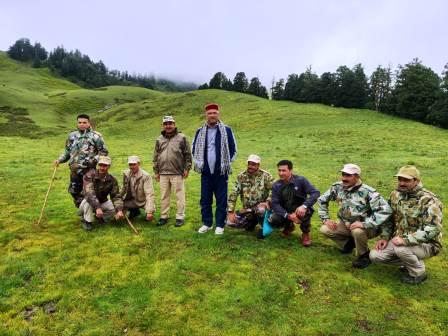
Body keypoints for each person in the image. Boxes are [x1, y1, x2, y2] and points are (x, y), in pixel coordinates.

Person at [370, 165, 443, 284]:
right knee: (375, 256)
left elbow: (433, 228)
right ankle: (411, 262)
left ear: (417, 181)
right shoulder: (395, 195)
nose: (402, 183)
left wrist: (406, 240)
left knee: (401, 249)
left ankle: (418, 273)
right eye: (400, 179)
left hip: (427, 244)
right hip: (399, 240)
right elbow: (389, 219)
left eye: (406, 180)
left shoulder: (429, 200)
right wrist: (385, 237)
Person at [318, 164, 392, 268]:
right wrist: (325, 219)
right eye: (343, 174)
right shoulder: (337, 187)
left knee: (357, 231)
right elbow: (322, 200)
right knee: (325, 229)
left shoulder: (369, 192)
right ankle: (348, 244)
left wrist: (364, 223)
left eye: (348, 175)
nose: (344, 178)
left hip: (368, 227)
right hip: (345, 223)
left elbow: (386, 210)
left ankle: (364, 255)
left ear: (357, 177)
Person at [192, 103, 237, 235]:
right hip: (205, 173)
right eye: (209, 113)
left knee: (221, 200)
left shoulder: (227, 130)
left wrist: (226, 164)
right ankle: (207, 223)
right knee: (205, 199)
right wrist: (200, 164)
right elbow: (194, 149)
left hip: (221, 173)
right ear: (206, 115)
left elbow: (233, 149)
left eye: (214, 113)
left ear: (218, 114)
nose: (212, 115)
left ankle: (220, 224)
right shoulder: (199, 131)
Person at [54, 114, 108, 207]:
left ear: (89, 123)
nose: (82, 124)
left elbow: (103, 152)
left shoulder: (96, 136)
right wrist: (59, 160)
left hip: (88, 170)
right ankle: (83, 211)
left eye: (84, 122)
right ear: (77, 123)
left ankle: (94, 213)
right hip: (74, 170)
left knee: (89, 192)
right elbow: (67, 152)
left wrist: (91, 161)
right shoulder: (72, 136)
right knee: (74, 191)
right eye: (80, 122)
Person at [153, 116, 192, 227]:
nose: (168, 126)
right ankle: (164, 216)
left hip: (177, 172)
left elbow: (187, 154)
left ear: (174, 124)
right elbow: (155, 156)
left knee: (179, 195)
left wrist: (187, 168)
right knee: (164, 196)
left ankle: (180, 217)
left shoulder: (182, 137)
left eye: (170, 123)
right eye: (166, 124)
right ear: (163, 126)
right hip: (163, 173)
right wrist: (156, 171)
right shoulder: (159, 139)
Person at [270, 160, 320, 246]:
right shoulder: (276, 185)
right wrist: (288, 215)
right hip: (285, 210)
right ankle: (289, 226)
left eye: (284, 170)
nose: (281, 173)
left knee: (304, 212)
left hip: (299, 209)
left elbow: (315, 193)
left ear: (290, 170)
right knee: (273, 219)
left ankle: (305, 233)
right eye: (279, 170)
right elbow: (275, 203)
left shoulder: (301, 180)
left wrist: (304, 206)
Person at [227, 154, 274, 232]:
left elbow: (275, 191)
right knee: (229, 222)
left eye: (253, 164)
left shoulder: (266, 176)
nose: (250, 166)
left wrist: (267, 202)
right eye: (249, 164)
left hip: (261, 207)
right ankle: (251, 224)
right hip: (247, 209)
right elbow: (233, 194)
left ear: (258, 165)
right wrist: (231, 211)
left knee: (261, 210)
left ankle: (265, 227)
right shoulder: (241, 176)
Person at [78, 156, 124, 231]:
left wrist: (119, 210)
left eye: (105, 166)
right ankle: (87, 221)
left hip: (102, 202)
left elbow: (116, 196)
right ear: (98, 165)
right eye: (100, 165)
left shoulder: (112, 179)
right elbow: (89, 194)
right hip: (86, 202)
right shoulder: (89, 175)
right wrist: (98, 207)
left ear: (109, 166)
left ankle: (100, 217)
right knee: (88, 202)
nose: (102, 168)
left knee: (114, 208)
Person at [121, 155, 156, 222]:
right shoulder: (126, 173)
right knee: (119, 210)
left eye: (134, 164)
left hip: (143, 201)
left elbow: (149, 194)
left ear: (139, 164)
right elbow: (124, 188)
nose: (131, 166)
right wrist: (118, 199)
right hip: (131, 200)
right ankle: (134, 211)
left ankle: (147, 213)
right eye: (130, 164)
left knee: (151, 209)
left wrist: (149, 211)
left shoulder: (146, 176)